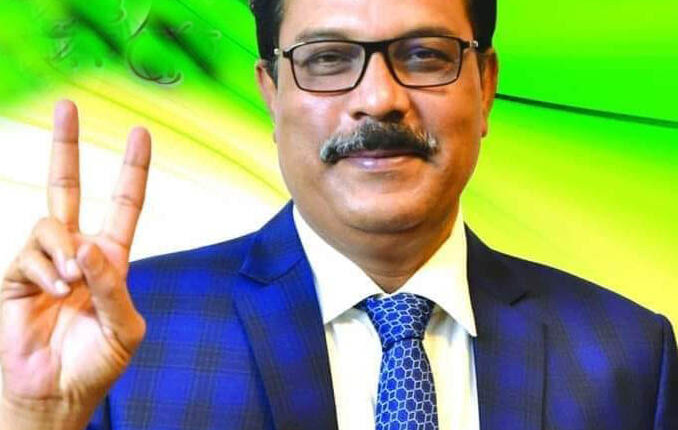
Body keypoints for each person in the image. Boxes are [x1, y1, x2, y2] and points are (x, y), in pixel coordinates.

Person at [1, 0, 676, 428]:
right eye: (327, 59)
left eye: (424, 55)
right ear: (271, 92)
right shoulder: (126, 332)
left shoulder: (628, 354)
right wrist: (33, 415)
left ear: (486, 85)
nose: (378, 99)